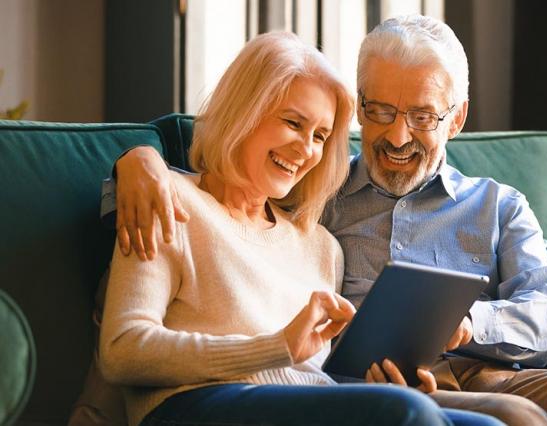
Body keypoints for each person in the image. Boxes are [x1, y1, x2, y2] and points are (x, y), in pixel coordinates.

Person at [107, 16, 547, 426]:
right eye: (379, 111)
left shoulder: (500, 205)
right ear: (361, 103)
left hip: (489, 370)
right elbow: (220, 186)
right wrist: (137, 161)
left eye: (422, 115)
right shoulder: (312, 193)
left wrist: (470, 325)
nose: (397, 137)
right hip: (364, 386)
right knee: (512, 419)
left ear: (457, 118)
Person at [94, 31, 502, 426]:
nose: (306, 150)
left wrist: (390, 382)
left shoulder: (322, 247)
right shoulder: (167, 200)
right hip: (193, 405)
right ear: (244, 110)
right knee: (405, 415)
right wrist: (276, 348)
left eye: (320, 136)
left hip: (305, 404)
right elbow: (121, 349)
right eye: (293, 122)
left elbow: (316, 382)